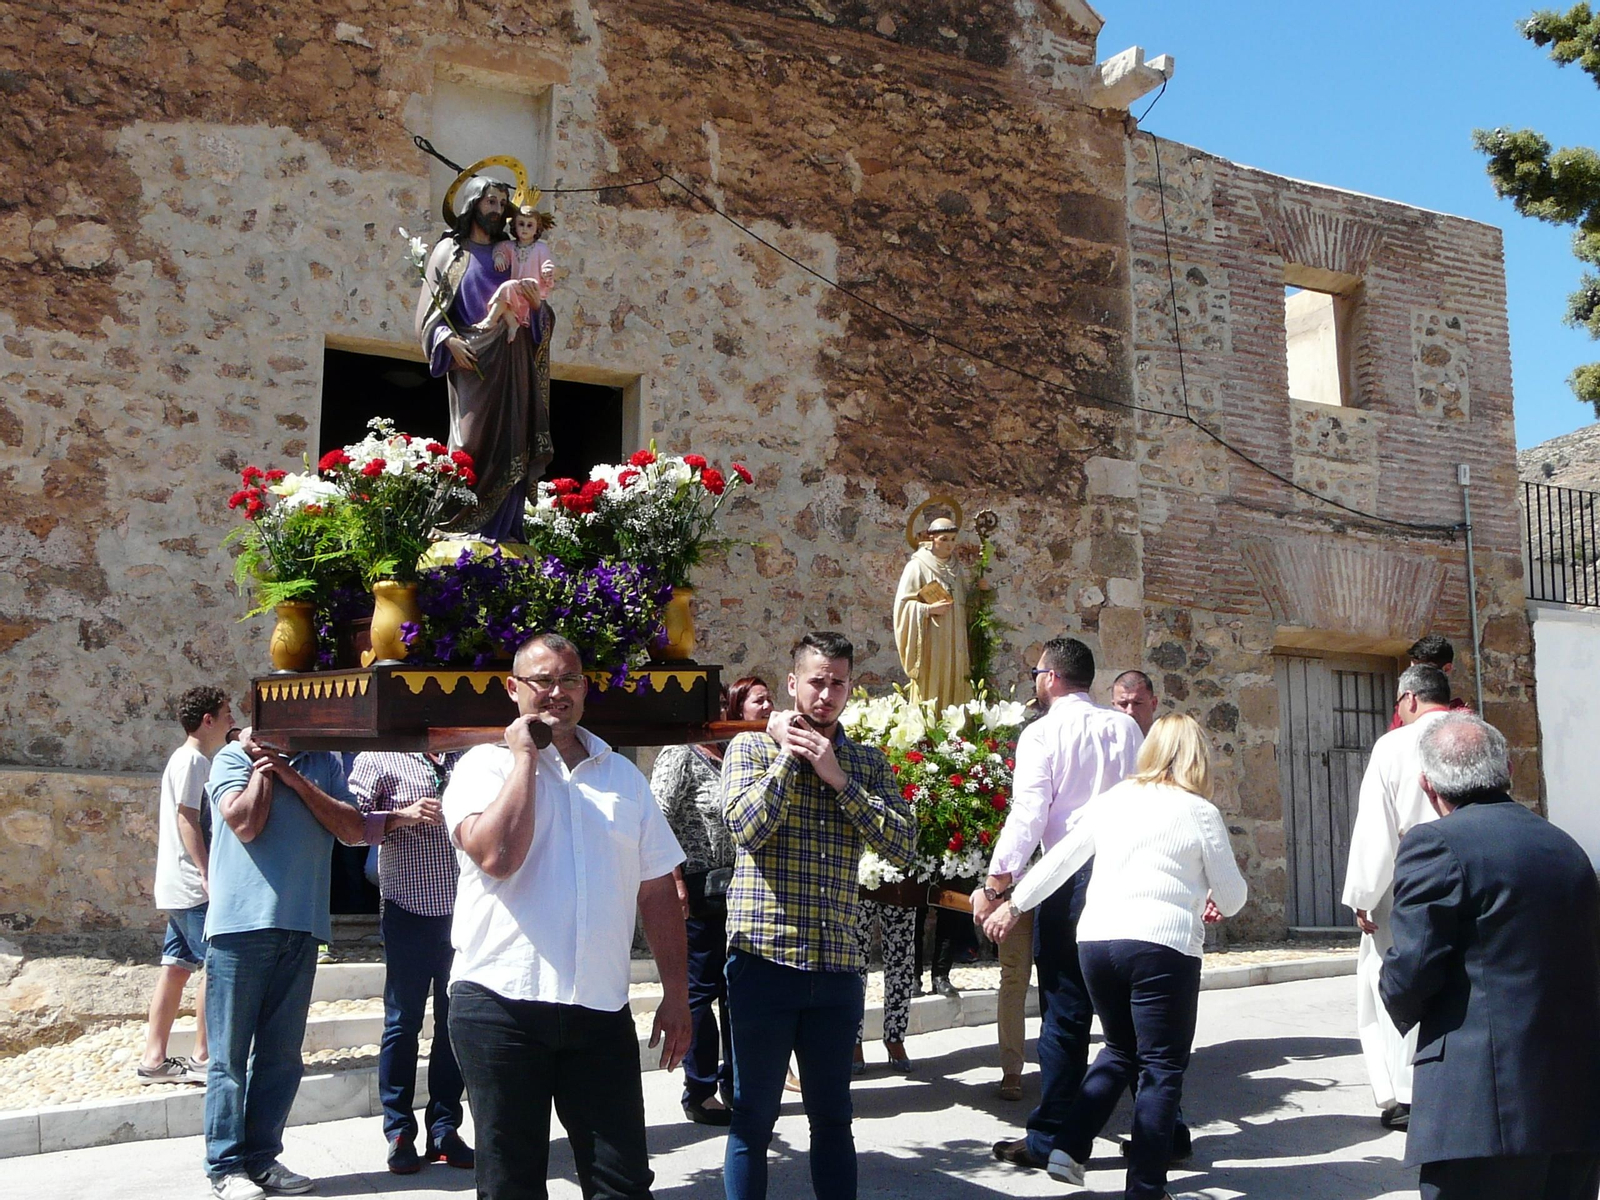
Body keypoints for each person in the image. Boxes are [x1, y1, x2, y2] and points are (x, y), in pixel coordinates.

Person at [442, 632, 690, 1200]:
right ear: (513, 689)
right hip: (501, 1006)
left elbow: (658, 889)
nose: (558, 692)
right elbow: (497, 857)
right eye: (543, 681)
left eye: (569, 679)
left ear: (585, 687)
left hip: (599, 1008)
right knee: (511, 1185)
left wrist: (677, 994)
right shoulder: (482, 767)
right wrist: (526, 758)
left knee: (623, 1184)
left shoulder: (622, 777)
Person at [994, 713, 1247, 1197]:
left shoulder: (1113, 799)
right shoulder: (1199, 811)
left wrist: (1014, 903)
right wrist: (1210, 893)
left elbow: (1060, 859)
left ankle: (1069, 1146)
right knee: (1161, 1067)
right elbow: (1233, 897)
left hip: (1097, 942)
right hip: (1162, 946)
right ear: (1198, 758)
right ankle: (1146, 1189)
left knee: (1119, 1051)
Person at [721, 632, 917, 1200]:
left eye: (837, 683)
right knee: (753, 1117)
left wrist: (839, 779)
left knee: (833, 1117)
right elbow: (746, 829)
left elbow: (904, 845)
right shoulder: (750, 750)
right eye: (816, 681)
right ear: (793, 683)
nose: (826, 694)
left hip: (837, 968)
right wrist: (789, 757)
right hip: (764, 961)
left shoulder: (864, 762)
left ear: (850, 688)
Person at [1381, 714, 1600, 1200]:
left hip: (1481, 1106)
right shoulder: (1566, 847)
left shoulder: (1435, 844)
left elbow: (1413, 968)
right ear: (1509, 771)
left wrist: (1395, 999)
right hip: (1573, 1103)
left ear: (1427, 784)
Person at [974, 637, 1143, 1172]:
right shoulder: (1126, 728)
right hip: (1126, 874)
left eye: (1036, 674)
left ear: (1050, 677)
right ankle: (1163, 1129)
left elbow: (1029, 813)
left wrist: (997, 882)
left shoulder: (1042, 733)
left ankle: (1051, 1136)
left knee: (1066, 1014)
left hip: (1068, 879)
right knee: (1131, 1015)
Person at [204, 733, 384, 1200]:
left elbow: (351, 830)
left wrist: (292, 775)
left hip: (303, 925)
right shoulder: (231, 758)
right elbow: (245, 824)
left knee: (282, 1058)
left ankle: (262, 1160)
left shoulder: (324, 761)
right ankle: (225, 1167)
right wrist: (266, 767)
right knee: (229, 1059)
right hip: (240, 927)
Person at [348, 751, 474, 1173]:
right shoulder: (378, 758)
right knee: (403, 1023)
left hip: (464, 911)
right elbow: (350, 827)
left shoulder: (465, 757)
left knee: (453, 1023)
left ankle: (445, 1128)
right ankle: (399, 1131)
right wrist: (401, 817)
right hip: (408, 909)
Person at [1342, 664, 1453, 1131]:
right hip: (1470, 870)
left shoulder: (1394, 745)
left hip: (1408, 878)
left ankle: (1404, 1093)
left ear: (1409, 699)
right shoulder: (1474, 733)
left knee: (1392, 980)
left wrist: (1363, 894)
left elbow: (1377, 826)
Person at [650, 678, 766, 1126]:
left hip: (737, 891)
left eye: (720, 703)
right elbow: (657, 819)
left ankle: (738, 1086)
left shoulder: (731, 754)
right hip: (697, 891)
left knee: (737, 992)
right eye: (708, 705)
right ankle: (699, 1091)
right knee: (700, 992)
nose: (717, 711)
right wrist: (675, 881)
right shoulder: (679, 754)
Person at [415, 174, 553, 540]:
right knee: (468, 444)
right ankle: (452, 527)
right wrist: (447, 340)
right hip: (472, 361)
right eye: (490, 201)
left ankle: (503, 532)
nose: (497, 210)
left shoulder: (511, 251)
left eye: (502, 204)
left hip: (513, 359)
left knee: (513, 442)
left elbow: (539, 310)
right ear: (473, 203)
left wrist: (537, 307)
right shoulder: (451, 252)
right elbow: (428, 315)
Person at [138, 685, 231, 1085]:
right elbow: (187, 818)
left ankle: (153, 1059)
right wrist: (207, 872)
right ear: (208, 720)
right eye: (226, 713)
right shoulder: (194, 761)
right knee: (215, 967)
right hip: (193, 887)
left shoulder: (182, 759)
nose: (232, 719)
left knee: (175, 968)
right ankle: (203, 1056)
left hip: (176, 885)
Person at [893, 514, 973, 712]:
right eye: (944, 539)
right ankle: (928, 725)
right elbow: (903, 605)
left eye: (953, 539)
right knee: (933, 681)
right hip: (932, 640)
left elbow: (966, 604)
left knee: (956, 679)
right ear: (931, 539)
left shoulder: (956, 569)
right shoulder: (917, 566)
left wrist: (981, 592)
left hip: (956, 640)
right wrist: (928, 609)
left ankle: (957, 728)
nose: (949, 545)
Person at [486, 204, 556, 340]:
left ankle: (490, 320)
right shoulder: (511, 246)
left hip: (531, 288)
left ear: (537, 228)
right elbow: (499, 249)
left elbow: (547, 263)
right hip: (516, 290)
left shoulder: (541, 248)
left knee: (506, 287)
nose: (524, 228)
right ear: (514, 225)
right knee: (504, 303)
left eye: (529, 225)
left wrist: (547, 271)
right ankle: (512, 324)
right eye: (521, 224)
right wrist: (499, 257)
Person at [1387, 635, 1471, 730]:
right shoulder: (1404, 707)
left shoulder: (1463, 720)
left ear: (1447, 669)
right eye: (1413, 670)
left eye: (1424, 672)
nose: (1416, 677)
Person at [1111, 670, 1159, 736]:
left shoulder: (1166, 741)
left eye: (1137, 703)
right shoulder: (1103, 741)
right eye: (1123, 704)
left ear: (1153, 704)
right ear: (1113, 706)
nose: (1130, 711)